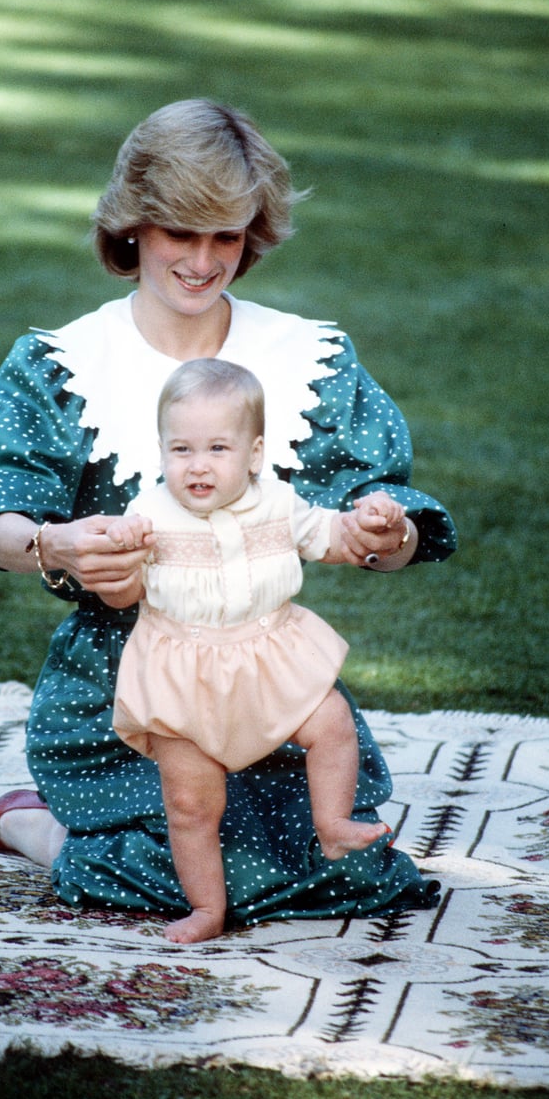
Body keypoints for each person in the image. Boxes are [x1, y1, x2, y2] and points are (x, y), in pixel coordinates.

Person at [0, 98, 456, 938]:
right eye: (182, 231)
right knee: (185, 867)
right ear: (132, 225)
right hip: (126, 684)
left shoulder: (308, 359)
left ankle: (153, 842)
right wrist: (47, 544)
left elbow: (386, 511)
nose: (206, 260)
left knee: (346, 870)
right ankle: (39, 824)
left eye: (228, 235)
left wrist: (383, 533)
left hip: (261, 672)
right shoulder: (61, 364)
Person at [107, 357, 406, 942]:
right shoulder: (148, 514)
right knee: (192, 804)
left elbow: (331, 537)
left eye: (218, 449)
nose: (197, 466)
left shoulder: (279, 503)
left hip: (269, 654)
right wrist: (117, 550)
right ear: (161, 450)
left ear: (253, 454)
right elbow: (120, 580)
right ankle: (207, 909)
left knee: (332, 720)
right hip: (181, 673)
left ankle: (332, 822)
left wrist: (369, 519)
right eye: (181, 449)